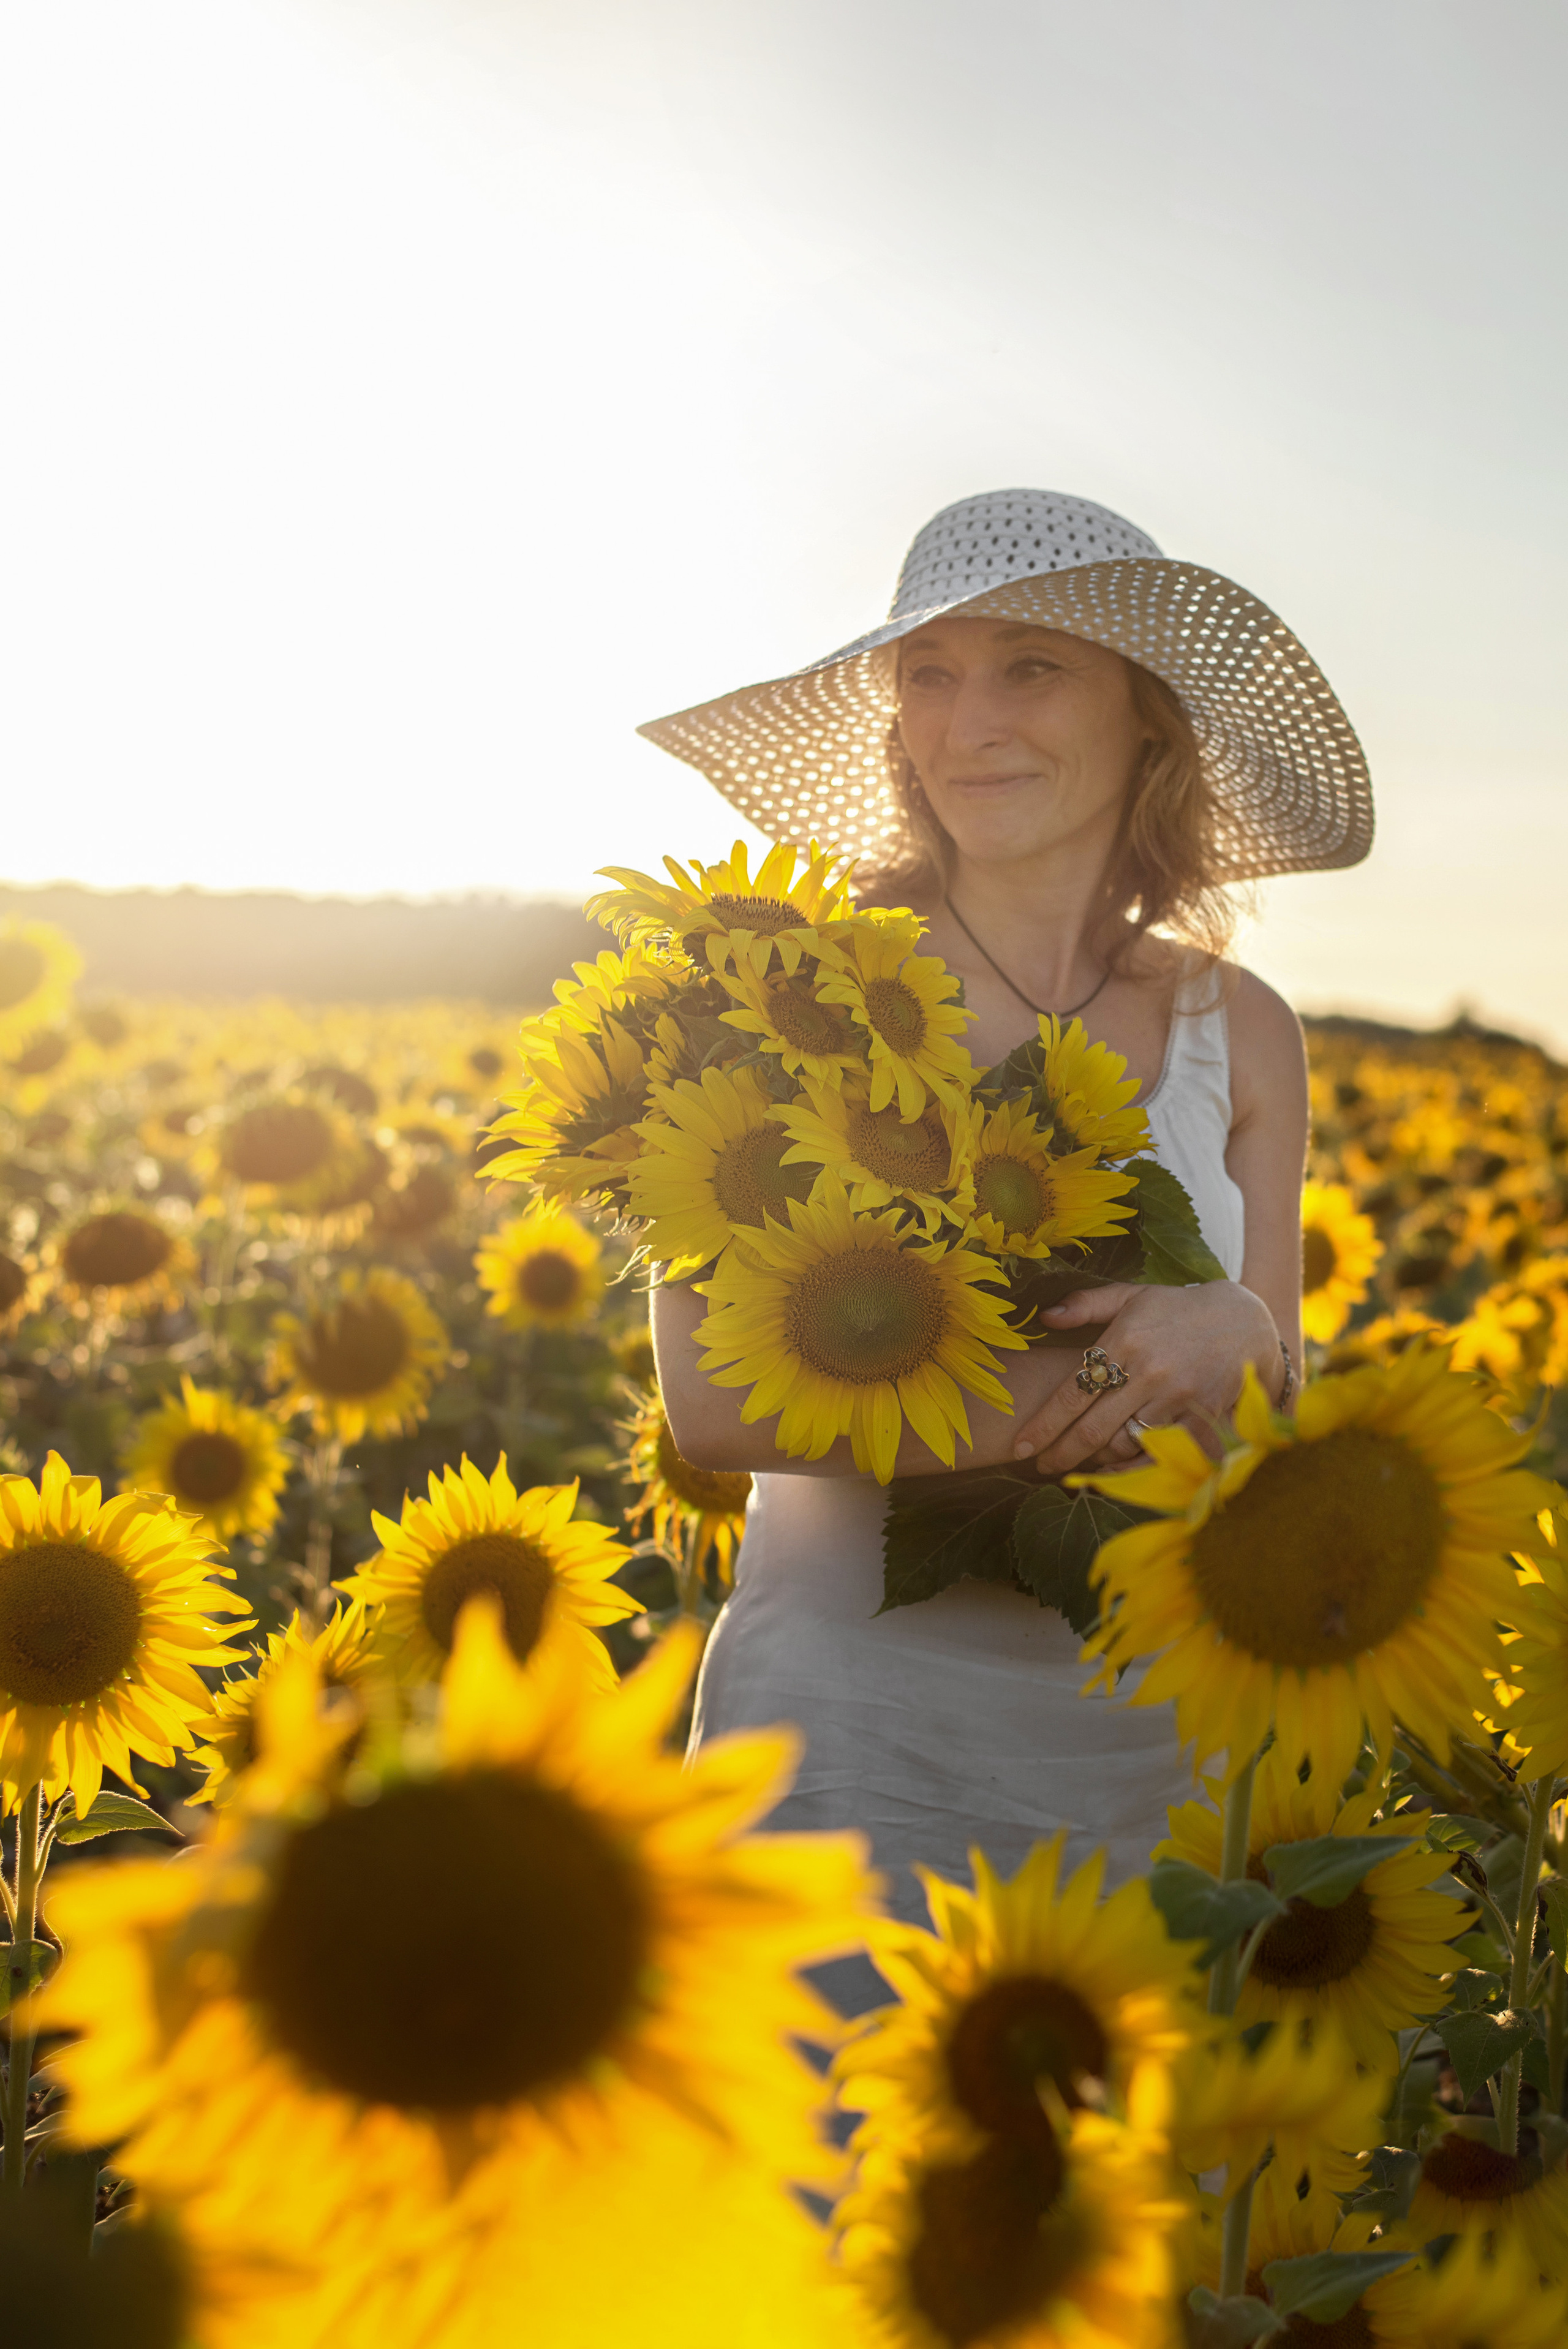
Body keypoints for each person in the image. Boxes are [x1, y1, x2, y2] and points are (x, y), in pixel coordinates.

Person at [640, 488, 1373, 1963]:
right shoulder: (784, 985)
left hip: (1149, 1745)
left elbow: (1263, 1388)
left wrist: (1236, 1329)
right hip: (845, 1738)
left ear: (1145, 723)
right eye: (929, 673)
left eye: (1030, 666)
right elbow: (714, 1397)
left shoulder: (1242, 1033)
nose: (969, 718)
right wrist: (1131, 1382)